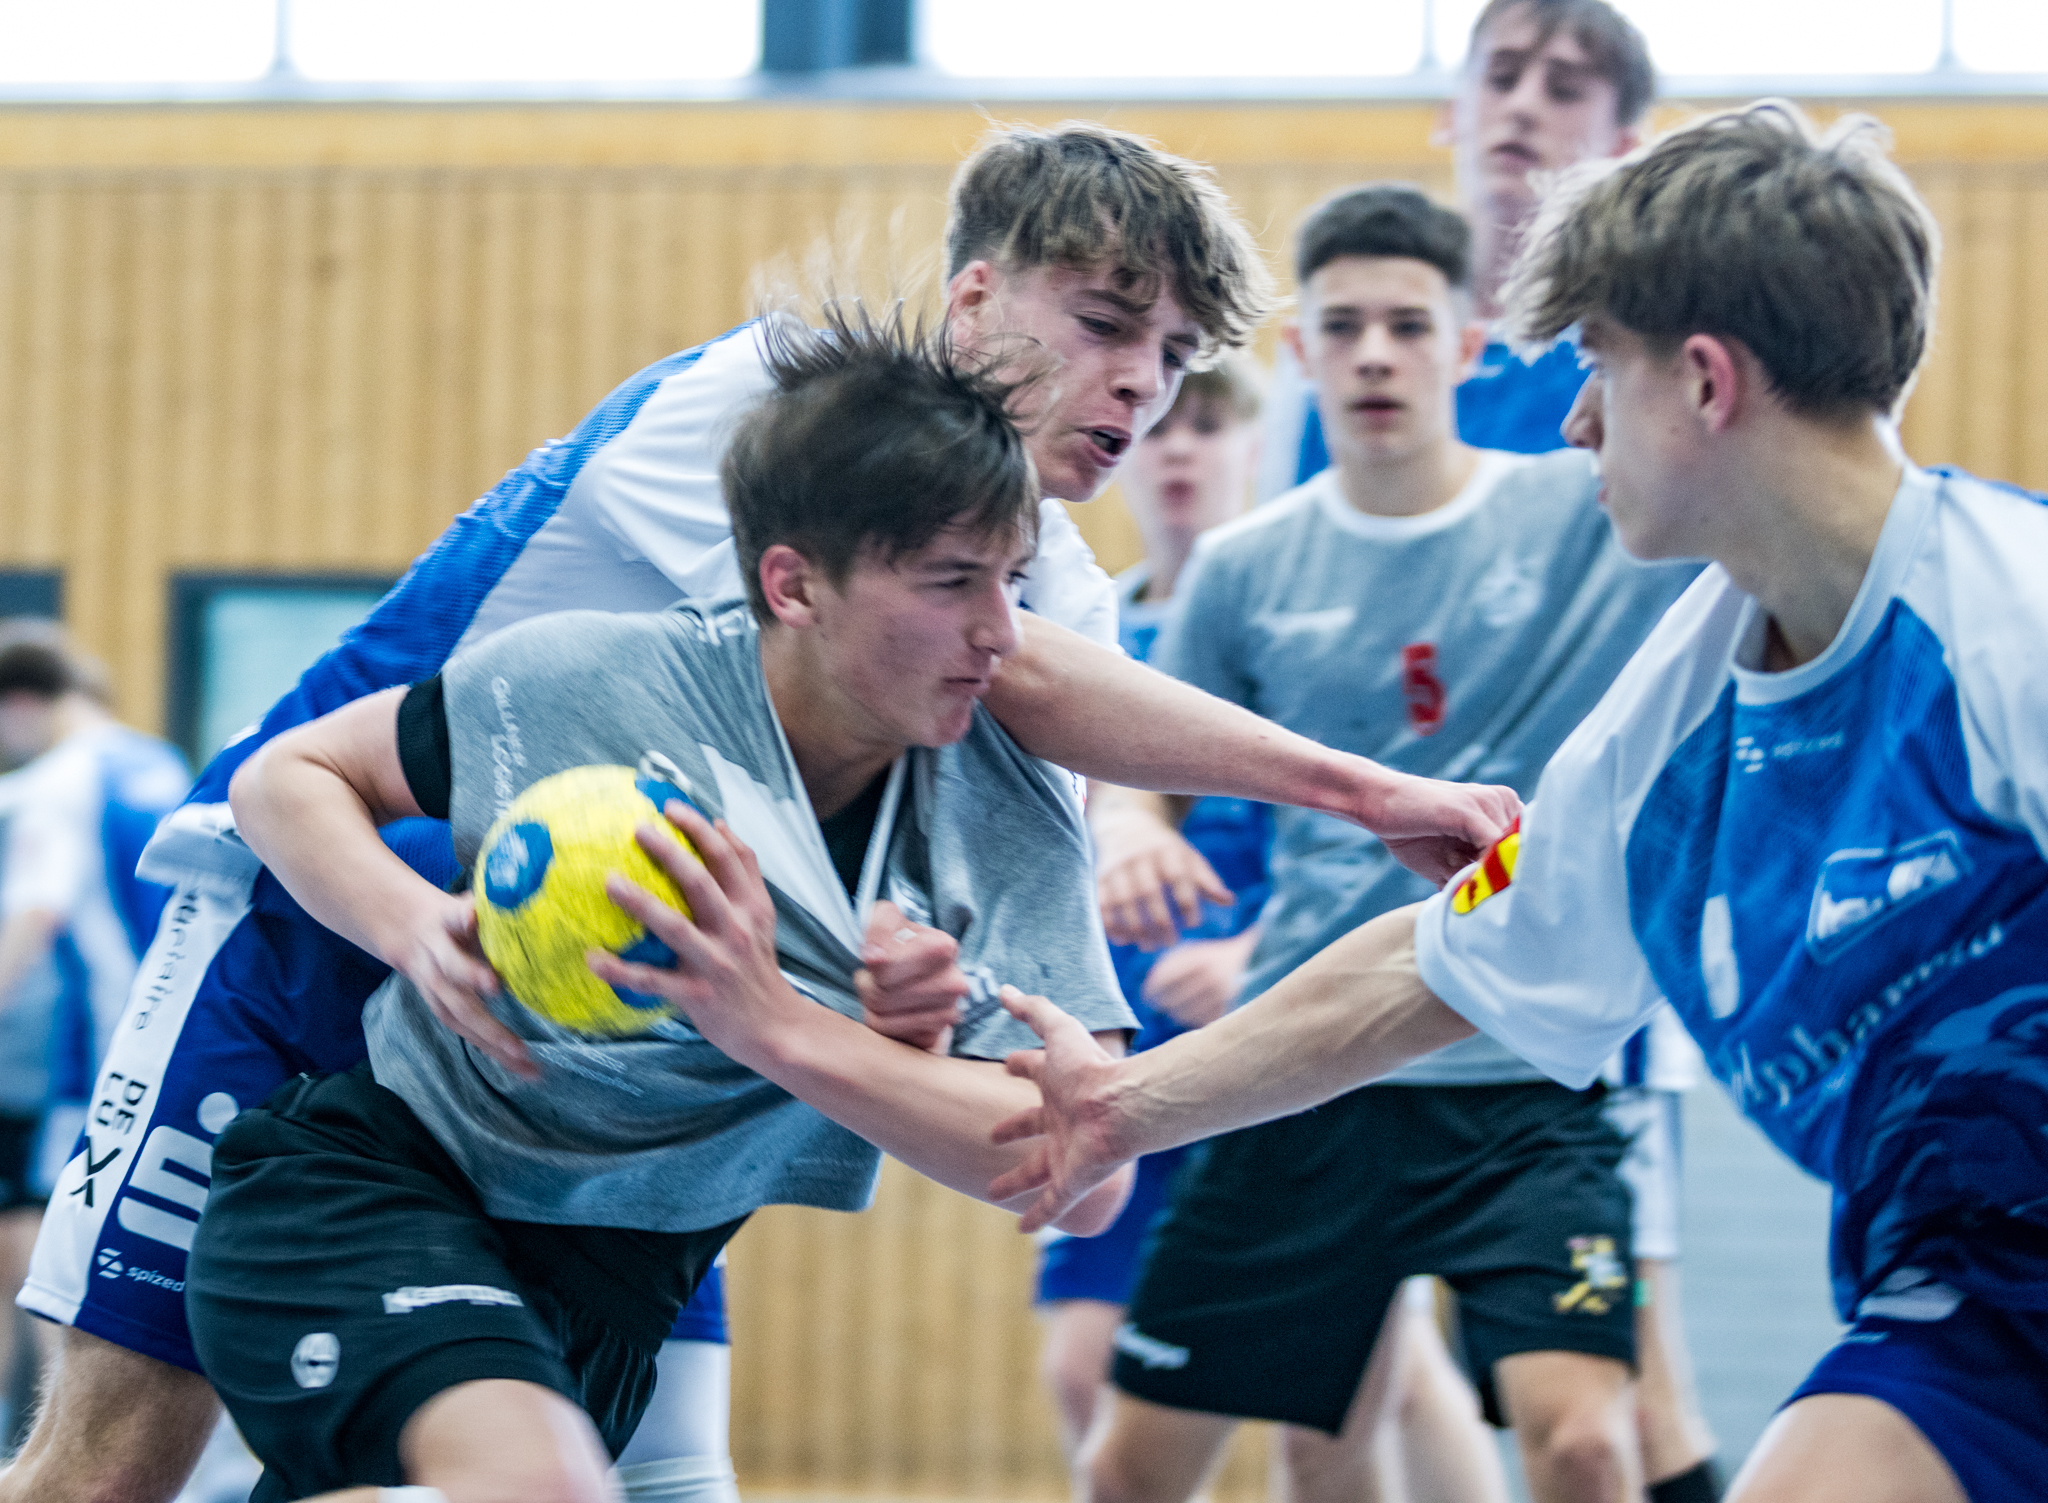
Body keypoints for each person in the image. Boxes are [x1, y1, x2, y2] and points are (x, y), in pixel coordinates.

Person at [5, 122, 1516, 1503]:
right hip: (333, 916)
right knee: (115, 1467)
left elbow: (1025, 772)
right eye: (1106, 324)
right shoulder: (778, 403)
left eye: (1177, 354)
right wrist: (1361, 784)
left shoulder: (1048, 583)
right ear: (975, 297)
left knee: (649, 1481)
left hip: (634, 1060)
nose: (1142, 384)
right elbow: (1026, 680)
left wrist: (910, 995)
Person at [995, 103, 2044, 1503]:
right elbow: (1433, 960)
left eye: (1596, 362)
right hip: (1972, 1290)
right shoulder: (1679, 704)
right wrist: (1121, 1105)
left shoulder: (2006, 620)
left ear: (1705, 382)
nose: (1573, 416)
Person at [193, 308, 1146, 1500]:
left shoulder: (1006, 808)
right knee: (536, 1483)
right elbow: (286, 775)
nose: (1002, 634)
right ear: (792, 584)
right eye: (951, 582)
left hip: (617, 1289)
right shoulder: (596, 678)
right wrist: (408, 921)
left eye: (1011, 580)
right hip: (371, 1186)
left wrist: (795, 1032)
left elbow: (1086, 1173)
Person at [1079, 184, 1697, 1503]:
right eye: (1344, 326)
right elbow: (1140, 784)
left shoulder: (1589, 514)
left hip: (1526, 1074)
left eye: (1407, 326)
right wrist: (1125, 832)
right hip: (1310, 1067)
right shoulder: (1246, 569)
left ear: (1466, 345)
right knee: (1139, 1464)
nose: (1373, 354)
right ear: (1299, 352)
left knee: (1590, 1438)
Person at [1034, 358, 1271, 1463]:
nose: (1180, 449)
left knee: (1362, 1387)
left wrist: (1257, 954)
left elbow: (1355, 845)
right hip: (1127, 1047)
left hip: (1268, 1048)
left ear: (1255, 451)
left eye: (1210, 429)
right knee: (1081, 1368)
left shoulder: (1291, 618)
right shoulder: (1083, 626)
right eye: (1164, 427)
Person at [1259, 0, 1652, 501]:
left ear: (1623, 150)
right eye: (1501, 79)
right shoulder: (1347, 327)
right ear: (1451, 113)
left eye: (1564, 90)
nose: (1523, 107)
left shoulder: (1629, 342)